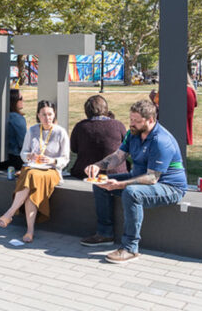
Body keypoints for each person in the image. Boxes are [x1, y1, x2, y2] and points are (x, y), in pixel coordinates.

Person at [80, 99, 188, 264]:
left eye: (137, 121)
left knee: (132, 193)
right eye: (131, 119)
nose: (132, 124)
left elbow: (152, 178)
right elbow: (118, 156)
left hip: (169, 186)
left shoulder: (161, 141)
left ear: (150, 120)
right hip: (140, 179)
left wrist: (122, 184)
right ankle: (105, 234)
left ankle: (130, 247)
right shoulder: (133, 134)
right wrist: (98, 166)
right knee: (102, 184)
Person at [0, 100, 70, 243]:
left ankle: (9, 213)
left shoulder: (61, 132)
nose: (47, 118)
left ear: (54, 115)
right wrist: (29, 156)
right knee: (31, 185)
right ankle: (29, 231)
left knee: (30, 175)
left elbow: (65, 159)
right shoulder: (33, 130)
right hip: (34, 168)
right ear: (38, 115)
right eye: (44, 115)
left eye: (50, 114)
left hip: (51, 170)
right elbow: (23, 153)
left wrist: (52, 161)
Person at [69, 95, 128, 179]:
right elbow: (127, 147)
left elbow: (74, 148)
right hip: (116, 172)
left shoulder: (80, 127)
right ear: (106, 108)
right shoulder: (118, 125)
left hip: (85, 172)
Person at [0, 89, 27, 177]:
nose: (23, 100)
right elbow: (24, 143)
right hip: (15, 159)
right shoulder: (16, 118)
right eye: (21, 98)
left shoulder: (1, 116)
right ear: (14, 101)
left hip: (1, 160)